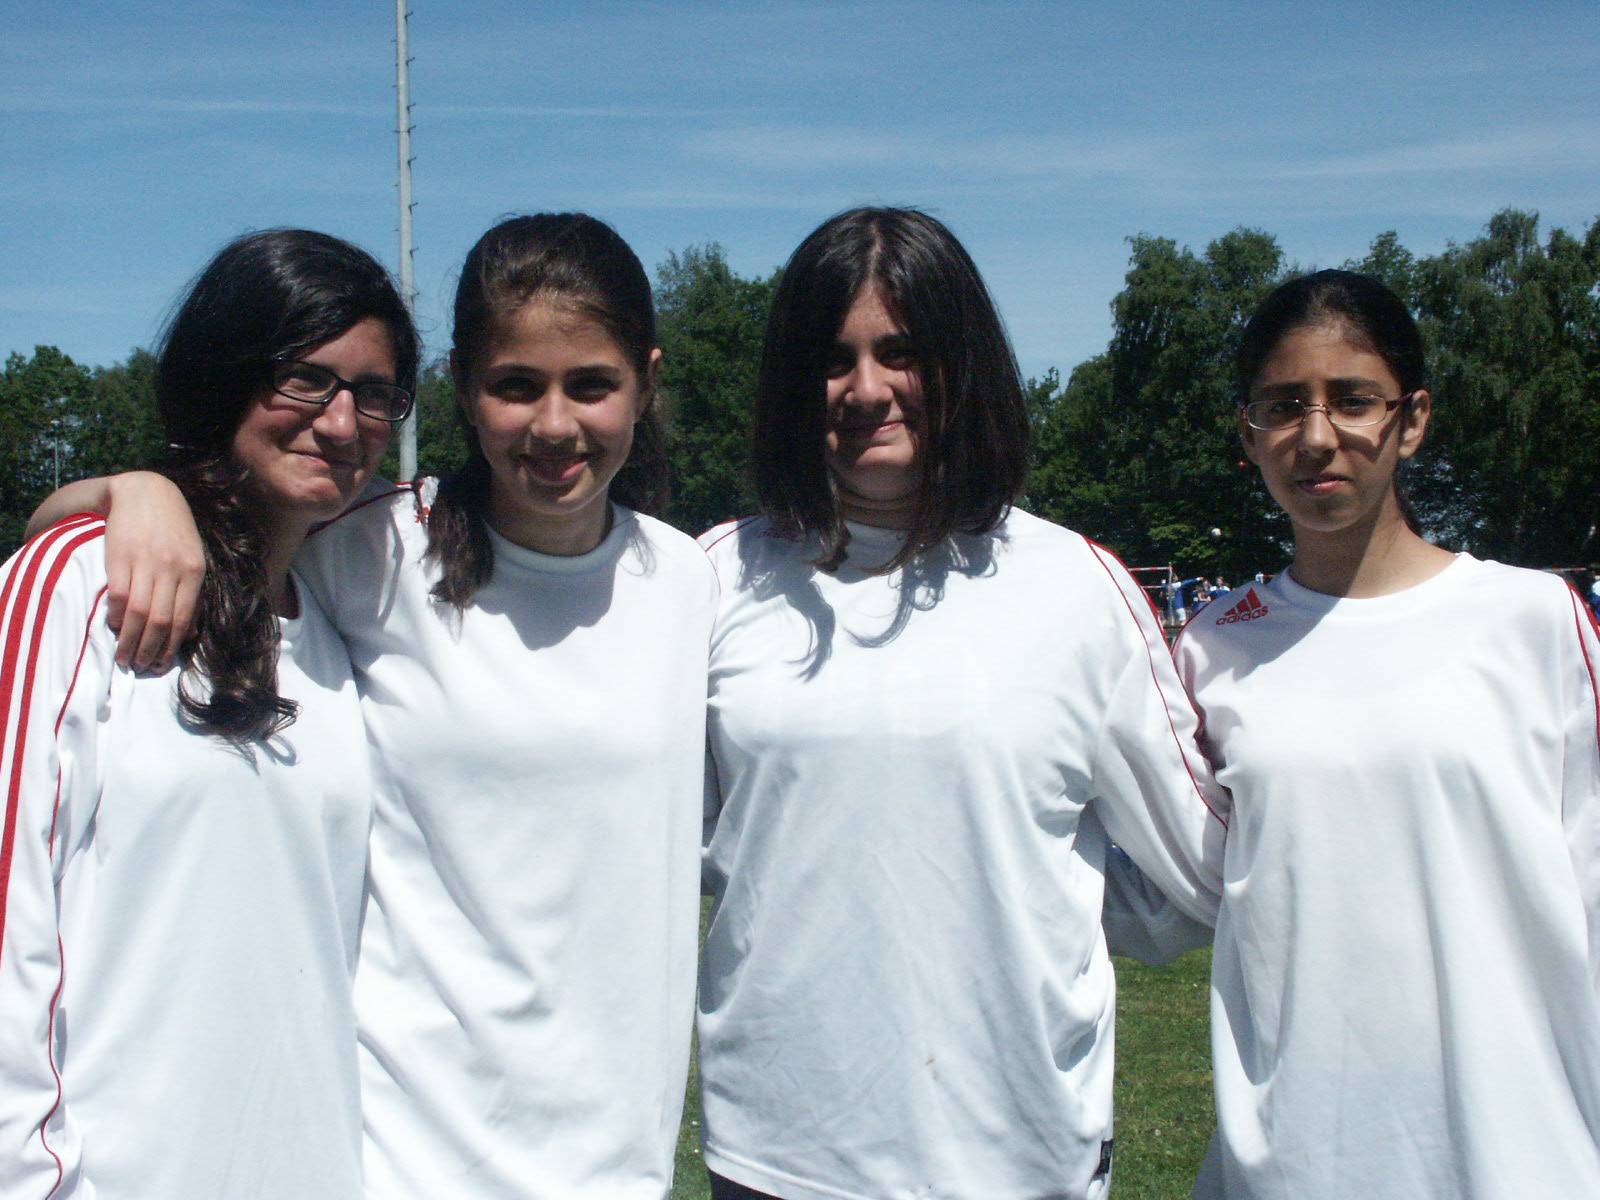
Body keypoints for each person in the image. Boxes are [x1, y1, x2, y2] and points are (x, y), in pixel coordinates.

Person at [30, 213, 716, 1200]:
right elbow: (221, 512)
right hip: (398, 1167)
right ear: (464, 389)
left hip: (618, 1172)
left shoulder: (696, 580)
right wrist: (132, 490)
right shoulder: (368, 546)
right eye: (516, 385)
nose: (555, 424)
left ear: (644, 383)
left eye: (592, 385)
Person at [696, 207, 1226, 1200]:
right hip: (777, 1157)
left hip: (1014, 1157)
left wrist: (1034, 896)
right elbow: (667, 839)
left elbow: (1201, 871)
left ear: (962, 365)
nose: (866, 389)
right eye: (833, 359)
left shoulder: (1072, 587)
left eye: (900, 353)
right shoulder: (718, 579)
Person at [1, 228, 418, 1198]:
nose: (343, 422)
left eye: (375, 393)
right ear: (223, 373)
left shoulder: (345, 632)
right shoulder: (79, 587)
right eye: (306, 379)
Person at [1174, 269, 1600, 1199]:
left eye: (1353, 400)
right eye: (1284, 406)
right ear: (1248, 434)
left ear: (1412, 420)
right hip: (1295, 1165)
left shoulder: (1534, 621)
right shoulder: (1212, 650)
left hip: (1519, 1157)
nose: (1316, 437)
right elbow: (1173, 888)